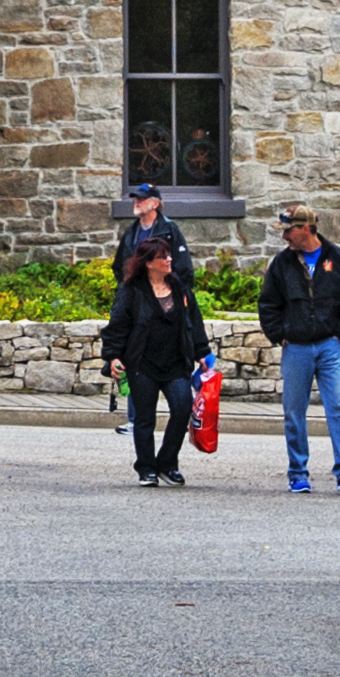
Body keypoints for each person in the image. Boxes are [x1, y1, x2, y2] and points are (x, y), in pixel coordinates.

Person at [101, 191, 211, 485]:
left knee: (182, 409)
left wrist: (203, 353)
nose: (169, 259)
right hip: (142, 363)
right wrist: (113, 357)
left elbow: (194, 323)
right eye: (163, 257)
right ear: (149, 262)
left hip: (175, 363)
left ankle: (167, 463)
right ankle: (146, 468)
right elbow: (117, 327)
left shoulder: (180, 290)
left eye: (170, 255)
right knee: (145, 419)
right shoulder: (131, 292)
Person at [259, 201, 340, 494]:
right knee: (294, 412)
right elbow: (268, 304)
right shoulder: (281, 264)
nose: (284, 237)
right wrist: (279, 334)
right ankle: (298, 473)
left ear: (305, 229)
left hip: (330, 348)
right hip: (296, 349)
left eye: (289, 231)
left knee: (339, 406)